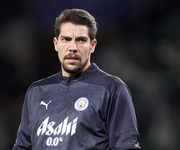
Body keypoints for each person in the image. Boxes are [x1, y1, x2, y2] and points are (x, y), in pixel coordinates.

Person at [13, 8, 140, 150]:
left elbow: (126, 146)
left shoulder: (111, 89)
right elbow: (22, 147)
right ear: (56, 44)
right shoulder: (36, 91)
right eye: (66, 39)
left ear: (92, 46)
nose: (72, 47)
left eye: (81, 40)